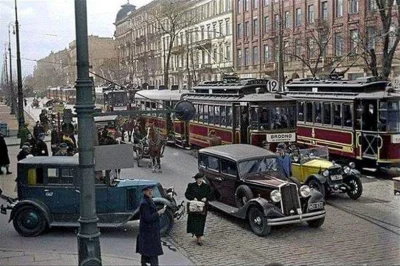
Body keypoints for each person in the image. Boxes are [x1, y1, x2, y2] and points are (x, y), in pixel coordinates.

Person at [136, 184, 165, 266]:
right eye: (149, 191)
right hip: (148, 233)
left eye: (151, 190)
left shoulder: (149, 200)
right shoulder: (144, 203)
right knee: (152, 254)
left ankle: (144, 263)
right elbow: (147, 218)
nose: (151, 192)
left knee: (147, 253)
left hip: (150, 232)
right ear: (145, 192)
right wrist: (158, 213)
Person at [185, 172, 212, 246]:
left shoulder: (206, 186)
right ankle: (196, 234)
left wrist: (206, 198)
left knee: (201, 222)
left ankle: (199, 237)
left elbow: (211, 195)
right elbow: (187, 194)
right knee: (193, 221)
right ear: (196, 179)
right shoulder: (191, 186)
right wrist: (193, 198)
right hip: (194, 207)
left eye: (201, 179)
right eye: (198, 179)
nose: (200, 180)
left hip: (202, 207)